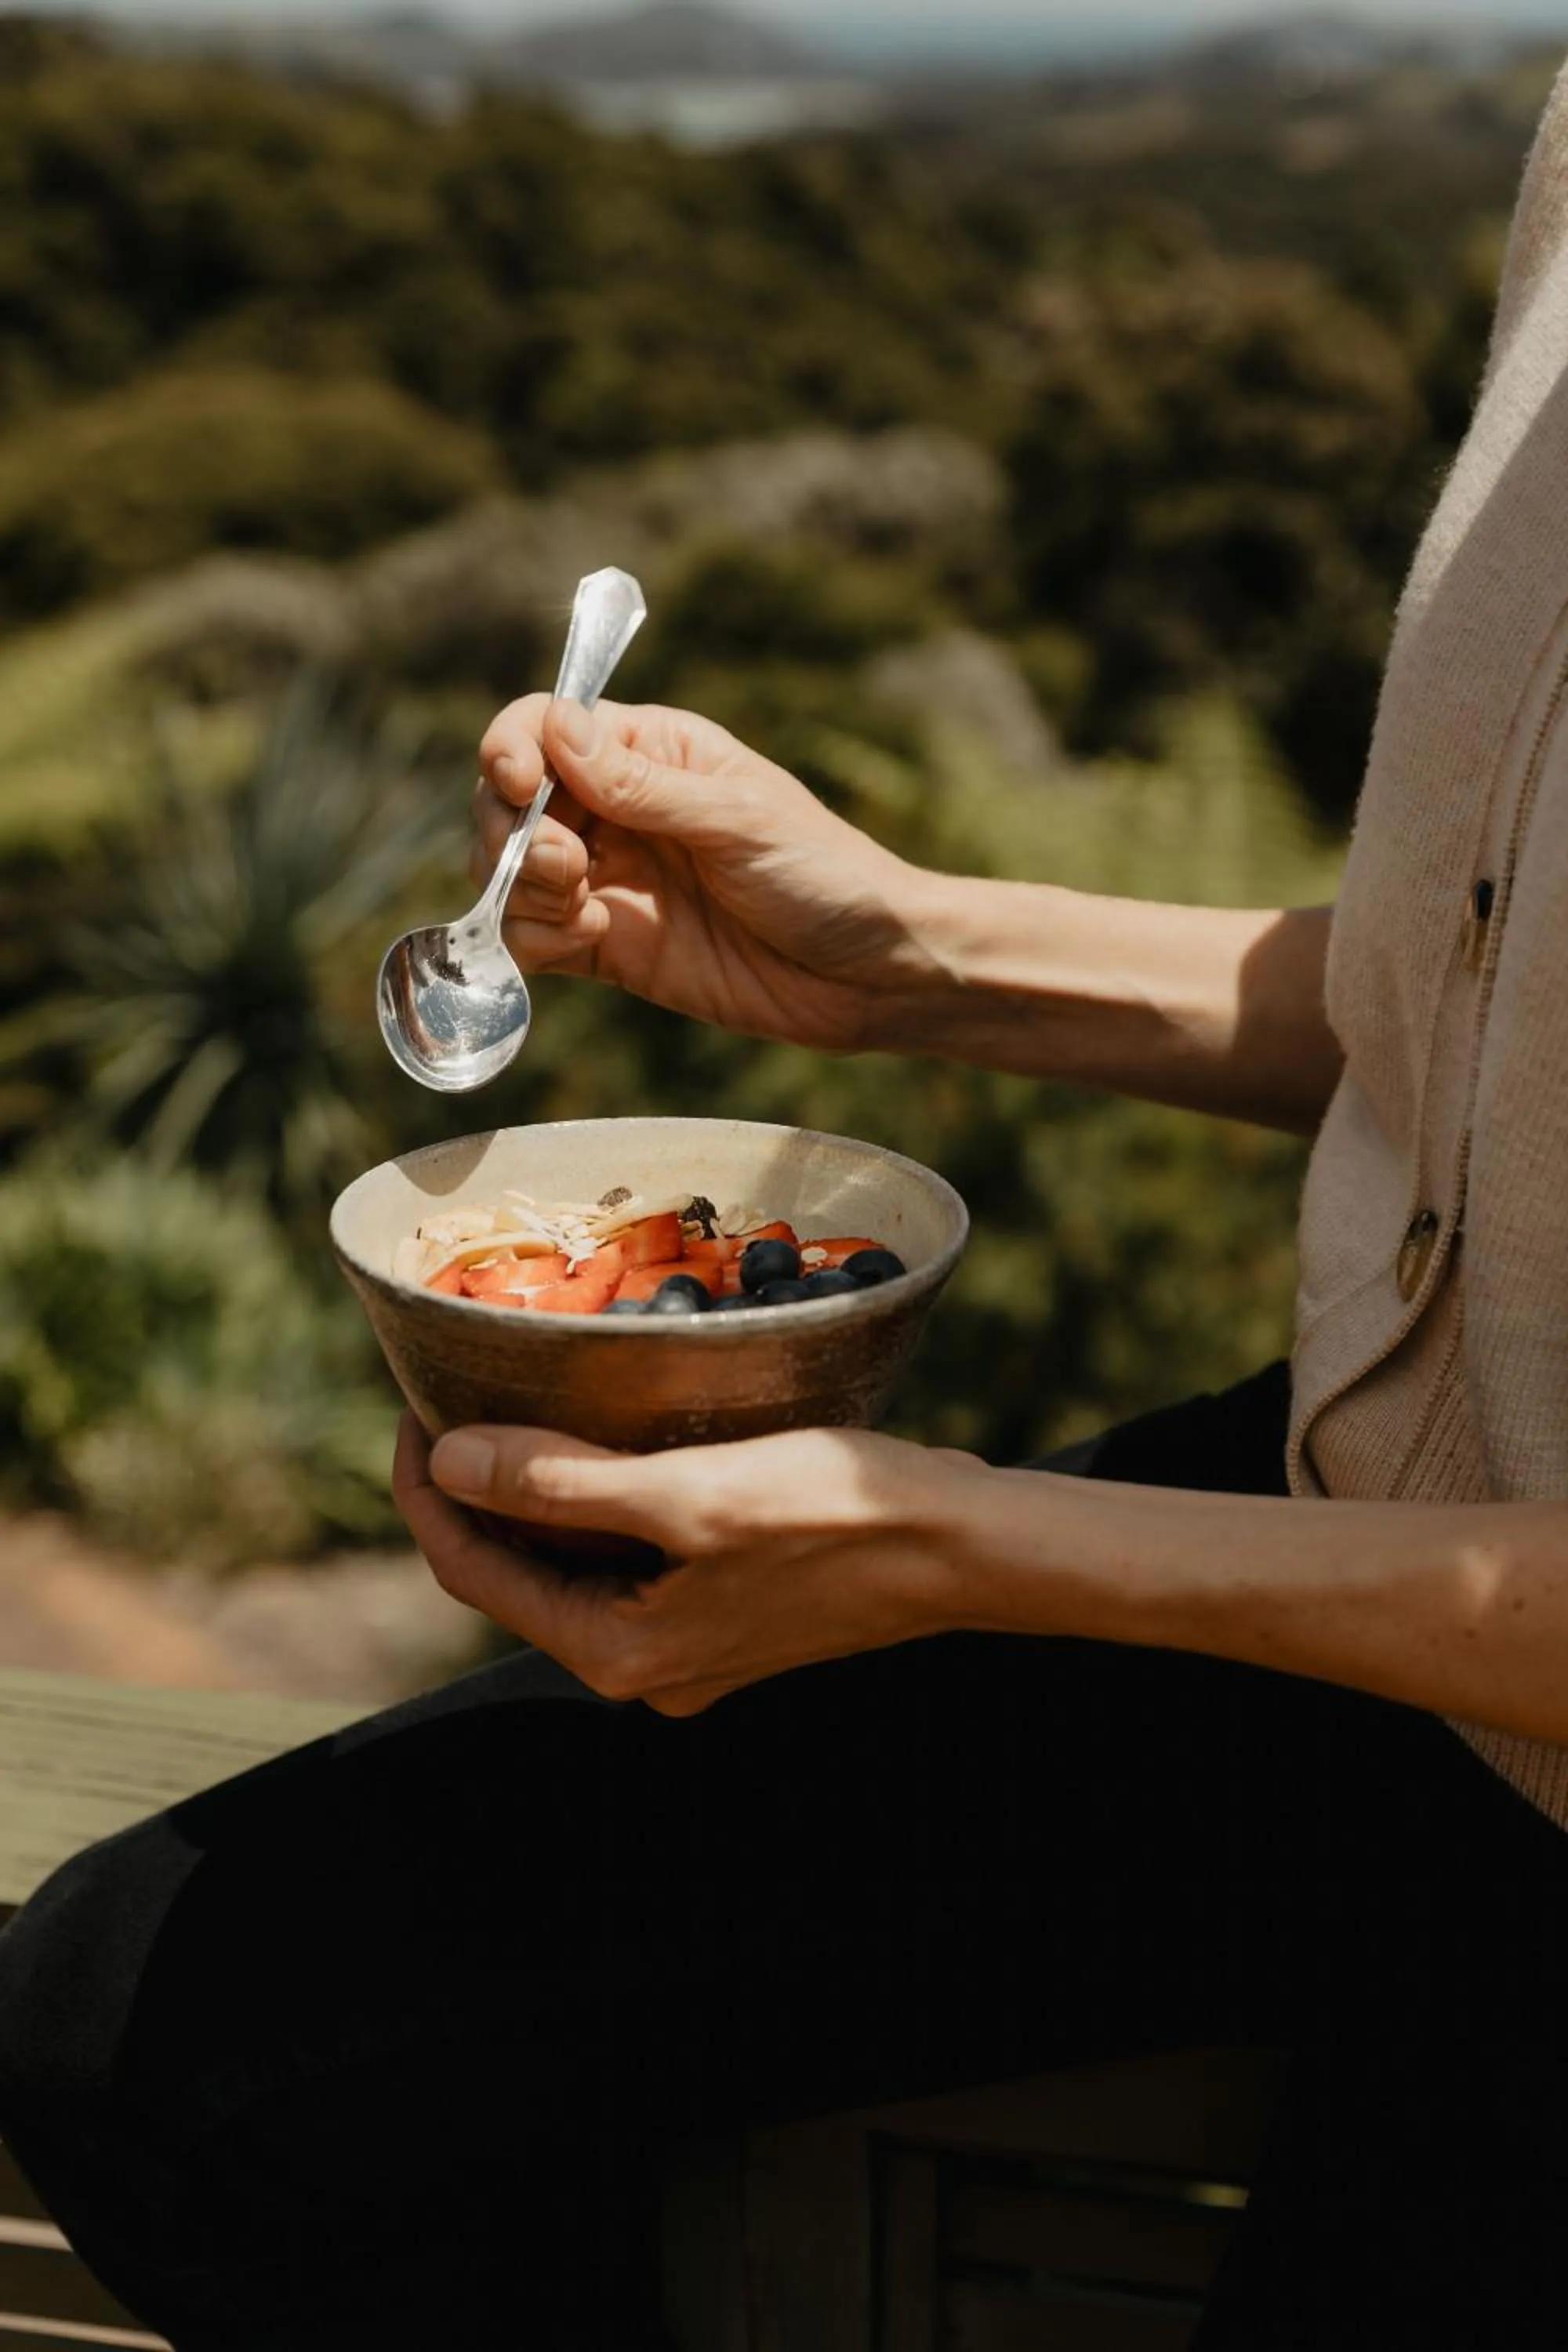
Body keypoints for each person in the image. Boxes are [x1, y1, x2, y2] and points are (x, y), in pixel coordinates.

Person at [9, 56, 1568, 2352]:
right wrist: (907, 948)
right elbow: (1485, 998)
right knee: (169, 2021)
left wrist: (954, 1546)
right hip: (1357, 1567)